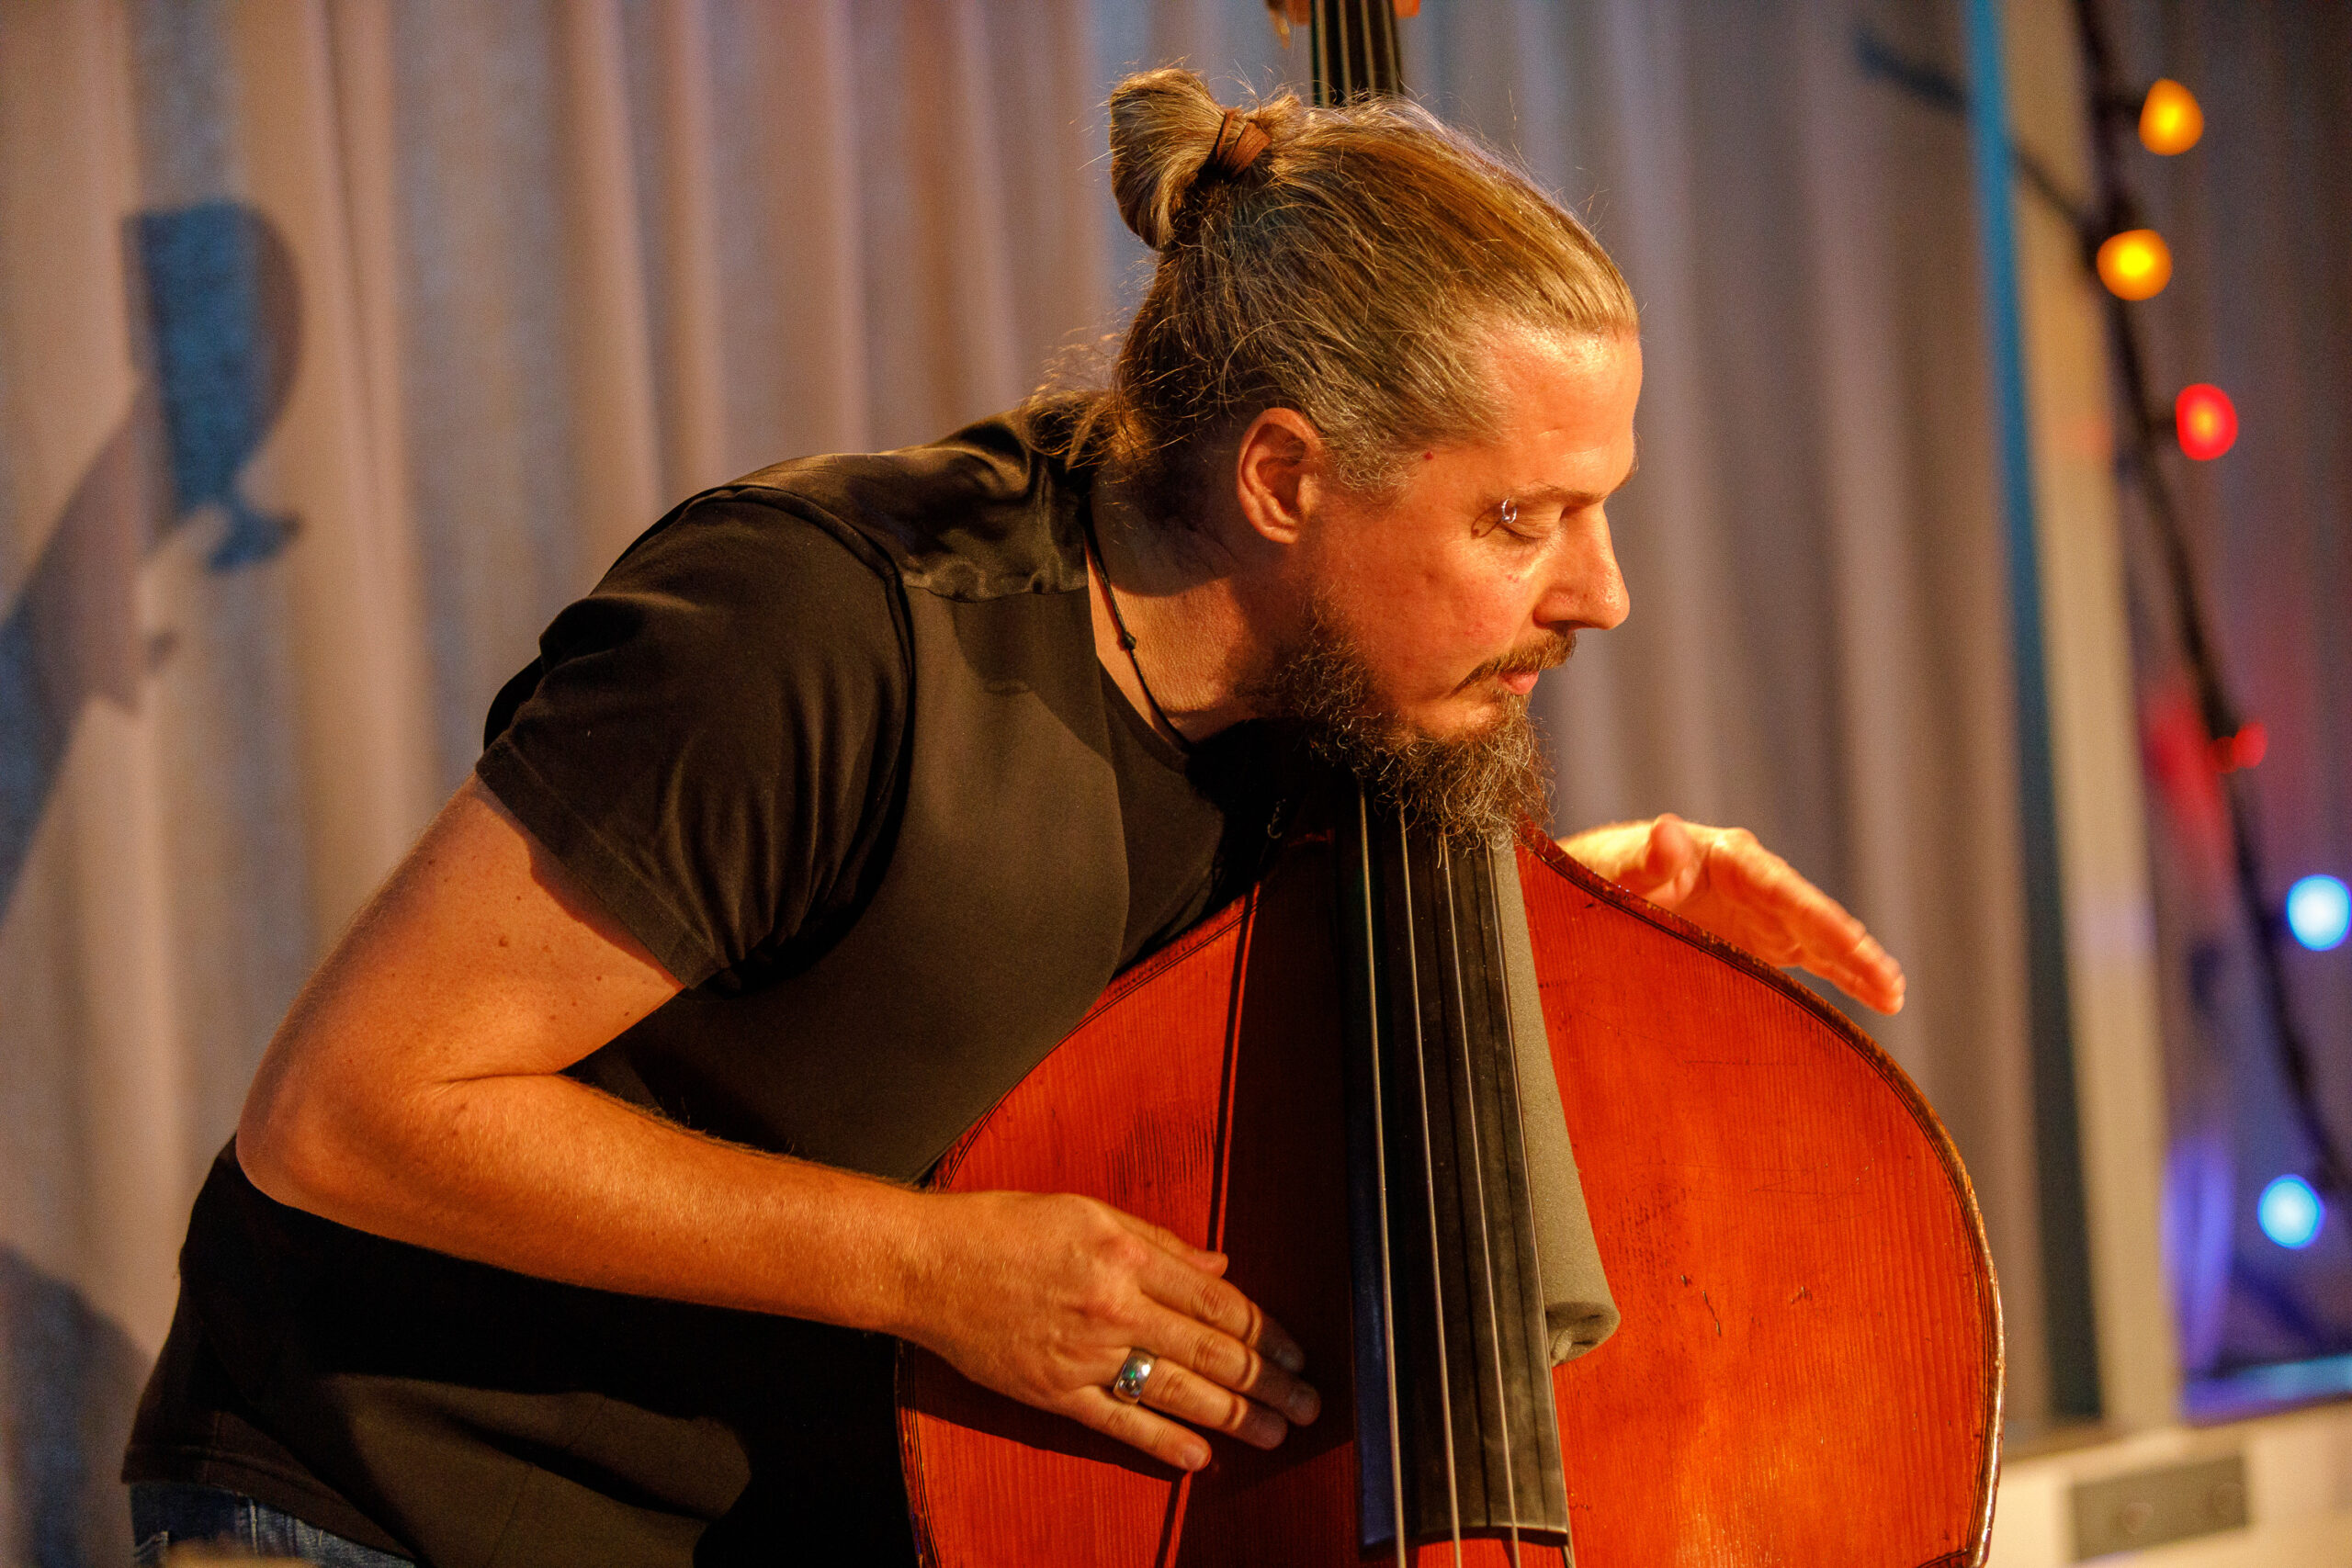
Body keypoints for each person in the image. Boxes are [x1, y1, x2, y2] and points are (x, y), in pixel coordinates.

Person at [122, 71, 1903, 1566]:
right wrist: (931, 1269)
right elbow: (346, 1112)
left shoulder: (1328, 707)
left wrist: (1576, 923)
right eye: (1519, 519)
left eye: (1599, 508)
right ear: (1283, 476)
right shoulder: (819, 632)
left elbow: (1121, 1000)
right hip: (396, 1505)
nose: (1600, 593)